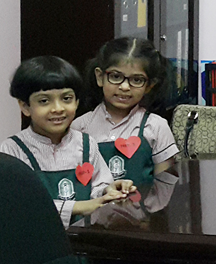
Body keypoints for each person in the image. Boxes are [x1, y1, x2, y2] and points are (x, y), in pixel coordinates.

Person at [0, 56, 133, 226]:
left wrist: (109, 191)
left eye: (67, 98)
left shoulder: (86, 144)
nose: (58, 108)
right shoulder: (12, 150)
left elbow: (99, 186)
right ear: (25, 107)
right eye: (44, 101)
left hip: (85, 239)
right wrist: (79, 207)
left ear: (76, 102)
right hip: (36, 239)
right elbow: (19, 204)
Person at [72, 38, 179, 188]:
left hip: (142, 203)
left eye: (137, 80)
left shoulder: (156, 127)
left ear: (149, 86)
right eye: (116, 77)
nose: (124, 87)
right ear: (100, 77)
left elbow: (164, 184)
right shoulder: (79, 127)